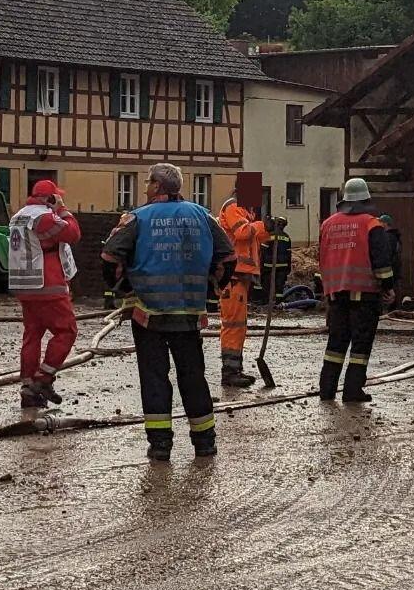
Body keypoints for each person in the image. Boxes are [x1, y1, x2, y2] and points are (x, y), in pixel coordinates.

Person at [102, 162, 236, 462]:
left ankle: (160, 444)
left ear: (158, 187)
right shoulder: (203, 216)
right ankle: (205, 442)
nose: (145, 186)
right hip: (189, 314)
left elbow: (110, 257)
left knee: (154, 378)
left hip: (147, 314)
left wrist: (122, 289)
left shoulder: (138, 217)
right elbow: (228, 257)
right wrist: (212, 288)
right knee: (193, 376)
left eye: (148, 182)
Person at [317, 176, 396, 405]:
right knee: (360, 346)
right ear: (366, 200)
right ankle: (352, 390)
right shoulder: (372, 224)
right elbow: (381, 261)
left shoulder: (328, 224)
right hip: (365, 296)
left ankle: (327, 389)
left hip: (336, 294)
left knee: (336, 344)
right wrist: (388, 287)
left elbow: (322, 258)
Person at [7, 178, 82, 418]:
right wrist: (62, 209)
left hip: (25, 285)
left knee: (32, 334)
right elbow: (73, 233)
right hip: (47, 283)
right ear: (49, 198)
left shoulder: (19, 215)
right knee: (67, 330)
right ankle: (43, 378)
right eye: (55, 197)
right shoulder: (43, 217)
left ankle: (28, 388)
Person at [216, 191, 271, 387]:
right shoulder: (232, 207)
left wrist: (269, 229)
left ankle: (234, 369)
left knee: (238, 325)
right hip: (233, 276)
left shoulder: (245, 213)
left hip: (240, 276)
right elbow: (243, 233)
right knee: (233, 325)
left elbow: (254, 238)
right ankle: (230, 371)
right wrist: (263, 226)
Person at [259, 215, 292, 304]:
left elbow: (263, 253)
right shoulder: (287, 237)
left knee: (266, 285)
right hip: (283, 266)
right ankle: (279, 303)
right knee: (279, 287)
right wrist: (289, 267)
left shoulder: (268, 236)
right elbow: (289, 254)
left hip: (268, 266)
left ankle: (265, 302)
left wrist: (261, 267)